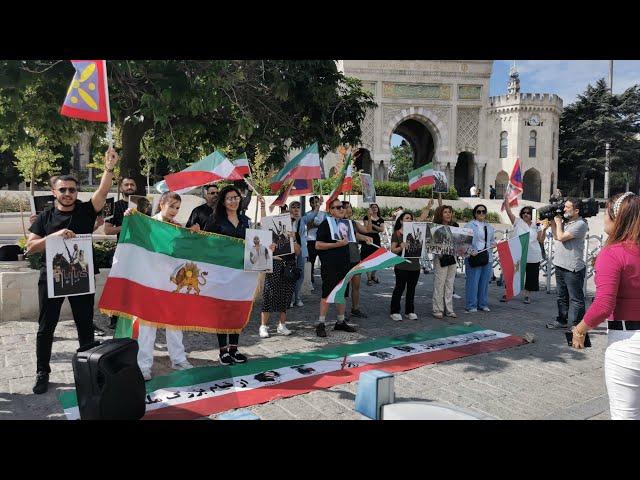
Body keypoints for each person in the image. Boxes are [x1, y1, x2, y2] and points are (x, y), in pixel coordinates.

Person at [27, 148, 119, 394]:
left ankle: (89, 371)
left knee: (85, 325)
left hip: (80, 277)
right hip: (53, 279)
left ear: (76, 192)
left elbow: (102, 192)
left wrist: (108, 168)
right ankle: (42, 372)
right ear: (54, 192)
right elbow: (31, 247)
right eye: (63, 189)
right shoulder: (44, 218)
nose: (68, 193)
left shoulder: (86, 211)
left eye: (72, 190)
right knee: (46, 327)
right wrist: (54, 236)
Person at [570, 192, 640, 419]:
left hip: (627, 343)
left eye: (607, 213)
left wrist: (580, 329)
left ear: (617, 218)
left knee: (625, 414)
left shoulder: (614, 253)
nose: (603, 218)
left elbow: (603, 304)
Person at [124, 191, 197, 380]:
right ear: (161, 203)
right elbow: (133, 239)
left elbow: (182, 253)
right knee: (147, 326)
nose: (174, 210)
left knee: (175, 323)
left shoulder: (177, 228)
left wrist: (193, 236)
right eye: (171, 205)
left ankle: (178, 359)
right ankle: (143, 365)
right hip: (148, 281)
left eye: (177, 207)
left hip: (170, 282)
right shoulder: (146, 223)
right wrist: (129, 219)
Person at [203, 185, 252, 364]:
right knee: (223, 311)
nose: (234, 201)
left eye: (236, 197)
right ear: (223, 202)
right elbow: (205, 244)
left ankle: (234, 349)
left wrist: (265, 248)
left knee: (236, 309)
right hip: (221, 272)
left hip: (241, 273)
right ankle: (223, 351)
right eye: (230, 198)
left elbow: (253, 244)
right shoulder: (214, 220)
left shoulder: (245, 220)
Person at [314, 199, 358, 337]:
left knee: (342, 293)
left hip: (344, 263)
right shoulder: (325, 224)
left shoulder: (346, 224)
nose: (341, 209)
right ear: (330, 210)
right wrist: (336, 245)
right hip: (330, 264)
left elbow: (353, 237)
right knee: (327, 293)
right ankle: (321, 323)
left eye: (342, 207)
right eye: (337, 207)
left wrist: (365, 238)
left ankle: (340, 321)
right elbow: (318, 245)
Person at [546, 198, 589, 329]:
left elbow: (561, 237)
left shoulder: (581, 224)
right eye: (564, 207)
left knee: (576, 299)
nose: (564, 209)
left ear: (576, 210)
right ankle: (561, 320)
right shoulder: (568, 222)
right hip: (560, 264)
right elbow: (555, 236)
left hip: (572, 267)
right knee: (561, 296)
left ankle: (577, 325)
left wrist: (558, 223)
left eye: (567, 207)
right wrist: (553, 222)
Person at [259, 202, 300, 338]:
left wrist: (293, 240)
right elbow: (264, 223)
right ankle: (263, 326)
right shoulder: (270, 232)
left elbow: (298, 252)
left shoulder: (293, 233)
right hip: (275, 265)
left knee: (286, 295)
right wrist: (262, 207)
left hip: (288, 266)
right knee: (269, 295)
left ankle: (282, 325)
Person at [103, 175, 138, 329]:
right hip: (122, 251)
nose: (129, 187)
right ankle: (114, 317)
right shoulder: (111, 205)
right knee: (118, 286)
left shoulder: (144, 205)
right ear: (120, 188)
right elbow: (107, 230)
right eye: (126, 185)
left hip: (140, 252)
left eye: (132, 184)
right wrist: (126, 226)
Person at [503, 199, 548, 304]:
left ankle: (527, 295)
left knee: (531, 276)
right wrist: (507, 201)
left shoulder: (537, 225)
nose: (526, 214)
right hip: (518, 254)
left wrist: (544, 229)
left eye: (528, 213)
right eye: (524, 212)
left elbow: (541, 240)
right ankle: (508, 293)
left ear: (533, 214)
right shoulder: (517, 222)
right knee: (513, 275)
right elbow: (509, 212)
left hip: (532, 254)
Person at [343, 200, 374, 318]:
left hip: (355, 257)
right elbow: (355, 235)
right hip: (344, 258)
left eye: (350, 206)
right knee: (344, 288)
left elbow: (367, 230)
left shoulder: (353, 223)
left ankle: (355, 309)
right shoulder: (337, 223)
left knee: (356, 286)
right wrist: (363, 236)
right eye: (346, 207)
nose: (349, 209)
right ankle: (343, 311)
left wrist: (369, 216)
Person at [464, 204, 496, 313]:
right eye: (479, 211)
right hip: (473, 256)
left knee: (484, 282)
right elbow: (464, 242)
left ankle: (482, 304)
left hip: (487, 256)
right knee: (473, 282)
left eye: (483, 211)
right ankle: (471, 305)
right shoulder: (469, 225)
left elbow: (492, 240)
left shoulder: (489, 227)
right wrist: (469, 251)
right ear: (475, 213)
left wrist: (493, 244)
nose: (481, 213)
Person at [390, 212, 420, 321]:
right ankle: (394, 311)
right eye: (407, 218)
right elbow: (392, 250)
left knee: (411, 289)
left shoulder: (417, 233)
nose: (410, 220)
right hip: (401, 266)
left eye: (411, 218)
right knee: (399, 288)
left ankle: (410, 311)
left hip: (415, 266)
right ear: (401, 221)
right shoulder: (397, 234)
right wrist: (401, 247)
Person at [432, 205, 459, 319]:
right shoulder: (435, 228)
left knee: (450, 284)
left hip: (452, 257)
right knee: (440, 283)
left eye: (450, 212)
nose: (448, 214)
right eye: (445, 212)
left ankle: (449, 309)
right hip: (440, 257)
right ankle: (437, 309)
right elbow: (432, 243)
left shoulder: (455, 227)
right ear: (440, 214)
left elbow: (461, 242)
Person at [303, 195, 325, 291]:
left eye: (317, 201)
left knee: (324, 262)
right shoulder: (307, 214)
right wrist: (316, 225)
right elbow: (309, 226)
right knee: (310, 262)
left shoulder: (323, 214)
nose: (315, 203)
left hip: (321, 241)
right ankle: (310, 281)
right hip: (311, 240)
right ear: (310, 203)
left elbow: (324, 226)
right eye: (313, 202)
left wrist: (315, 225)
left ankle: (325, 280)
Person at [289, 200, 307, 308]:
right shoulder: (286, 221)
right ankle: (289, 299)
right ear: (290, 209)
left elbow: (313, 215)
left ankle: (297, 298)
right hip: (290, 252)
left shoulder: (302, 220)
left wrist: (318, 206)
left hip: (301, 251)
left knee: (300, 274)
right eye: (293, 207)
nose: (296, 209)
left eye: (298, 207)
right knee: (290, 274)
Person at [361, 203, 385, 285]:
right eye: (373, 207)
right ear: (370, 209)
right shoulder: (366, 217)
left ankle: (373, 275)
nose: (374, 208)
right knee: (367, 258)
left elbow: (382, 229)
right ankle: (369, 279)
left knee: (377, 258)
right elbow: (368, 229)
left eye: (376, 207)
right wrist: (376, 229)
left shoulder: (381, 219)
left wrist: (373, 225)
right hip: (367, 238)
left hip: (376, 239)